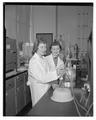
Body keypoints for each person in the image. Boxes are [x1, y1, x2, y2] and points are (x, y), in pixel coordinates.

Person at [27, 40, 64, 107]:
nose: (44, 49)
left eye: (45, 47)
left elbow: (48, 73)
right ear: (36, 48)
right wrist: (56, 73)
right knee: (39, 111)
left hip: (46, 89)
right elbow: (42, 78)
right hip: (39, 92)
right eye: (42, 47)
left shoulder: (43, 59)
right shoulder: (34, 61)